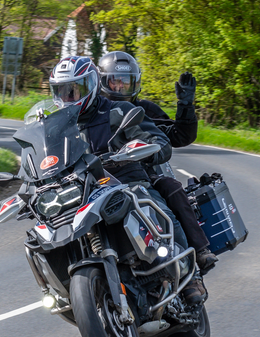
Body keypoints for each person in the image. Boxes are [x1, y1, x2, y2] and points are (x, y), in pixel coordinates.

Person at [49, 55, 205, 304]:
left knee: (162, 198)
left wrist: (183, 109)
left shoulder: (124, 110)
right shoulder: (56, 125)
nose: (70, 97)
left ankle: (189, 272)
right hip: (84, 188)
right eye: (64, 91)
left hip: (129, 176)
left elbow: (170, 137)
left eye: (75, 90)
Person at [98, 51, 218, 276]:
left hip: (145, 174)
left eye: (127, 82)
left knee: (171, 188)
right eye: (116, 82)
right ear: (103, 82)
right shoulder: (93, 114)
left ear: (137, 83)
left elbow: (179, 137)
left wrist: (186, 105)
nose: (121, 88)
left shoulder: (144, 110)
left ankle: (198, 254)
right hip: (100, 179)